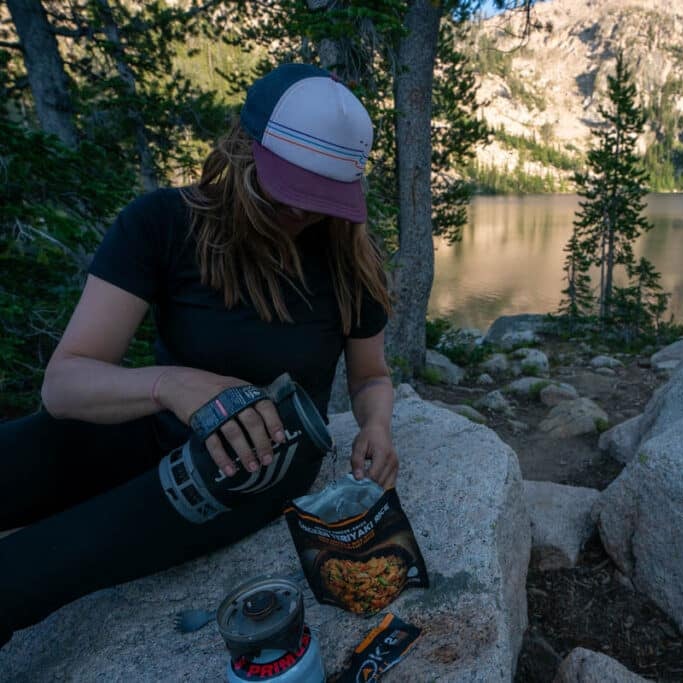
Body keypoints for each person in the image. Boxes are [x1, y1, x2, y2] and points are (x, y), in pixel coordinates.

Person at [0, 63, 397, 649]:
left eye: (325, 196)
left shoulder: (347, 259)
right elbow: (63, 386)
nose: (304, 212)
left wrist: (378, 424)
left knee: (26, 570)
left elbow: (371, 376)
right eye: (290, 188)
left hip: (256, 466)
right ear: (244, 146)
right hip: (149, 424)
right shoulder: (162, 223)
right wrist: (173, 385)